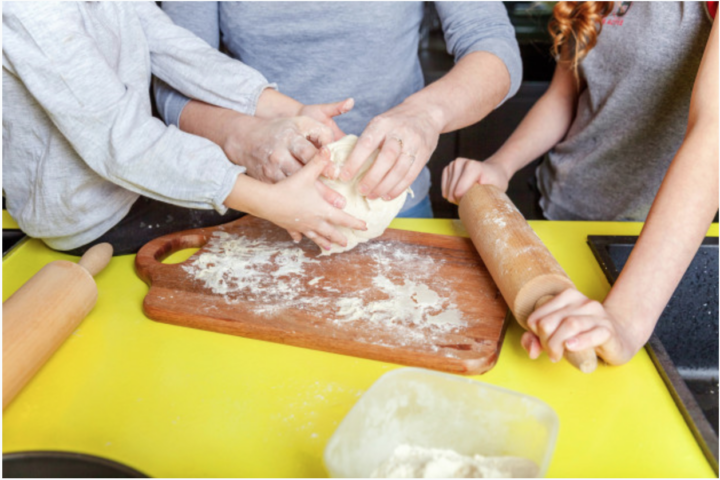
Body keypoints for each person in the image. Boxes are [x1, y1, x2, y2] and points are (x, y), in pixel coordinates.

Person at [442, 1, 718, 366]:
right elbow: (564, 98)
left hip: (647, 253)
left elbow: (712, 135)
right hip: (558, 210)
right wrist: (500, 166)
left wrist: (625, 319)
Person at [2, 2, 366, 256]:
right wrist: (272, 203)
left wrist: (289, 110)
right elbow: (123, 142)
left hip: (134, 186)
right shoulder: (31, 11)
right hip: (90, 220)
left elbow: (174, 49)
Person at [154, 2, 523, 219]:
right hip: (254, 206)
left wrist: (425, 114)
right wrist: (242, 138)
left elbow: (495, 48)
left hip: (390, 207)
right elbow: (173, 82)